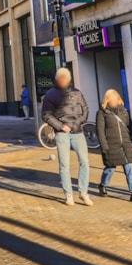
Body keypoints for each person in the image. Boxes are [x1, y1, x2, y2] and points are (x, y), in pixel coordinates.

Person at [41, 67, 92, 207]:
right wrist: (61, 126)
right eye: (60, 79)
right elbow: (46, 114)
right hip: (62, 133)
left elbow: (85, 109)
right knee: (64, 165)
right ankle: (68, 195)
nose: (63, 81)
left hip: (77, 131)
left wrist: (76, 124)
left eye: (65, 78)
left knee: (84, 162)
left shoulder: (77, 93)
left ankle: (83, 192)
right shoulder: (51, 94)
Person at [96, 89, 132, 203]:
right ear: (107, 100)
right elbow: (100, 132)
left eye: (115, 99)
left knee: (130, 168)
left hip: (126, 144)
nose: (114, 101)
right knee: (110, 169)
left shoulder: (124, 111)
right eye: (111, 99)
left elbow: (130, 127)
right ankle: (103, 185)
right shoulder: (102, 113)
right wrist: (104, 147)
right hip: (111, 145)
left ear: (119, 99)